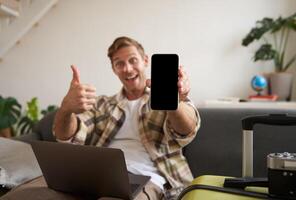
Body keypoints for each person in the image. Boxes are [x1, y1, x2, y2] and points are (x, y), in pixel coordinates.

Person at [3, 37, 200, 200]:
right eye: (119, 63)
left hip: (146, 178)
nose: (128, 69)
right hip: (96, 176)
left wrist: (173, 103)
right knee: (23, 195)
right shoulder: (102, 104)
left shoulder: (170, 99)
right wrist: (66, 109)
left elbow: (186, 130)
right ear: (114, 69)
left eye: (133, 60)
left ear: (145, 60)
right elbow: (69, 137)